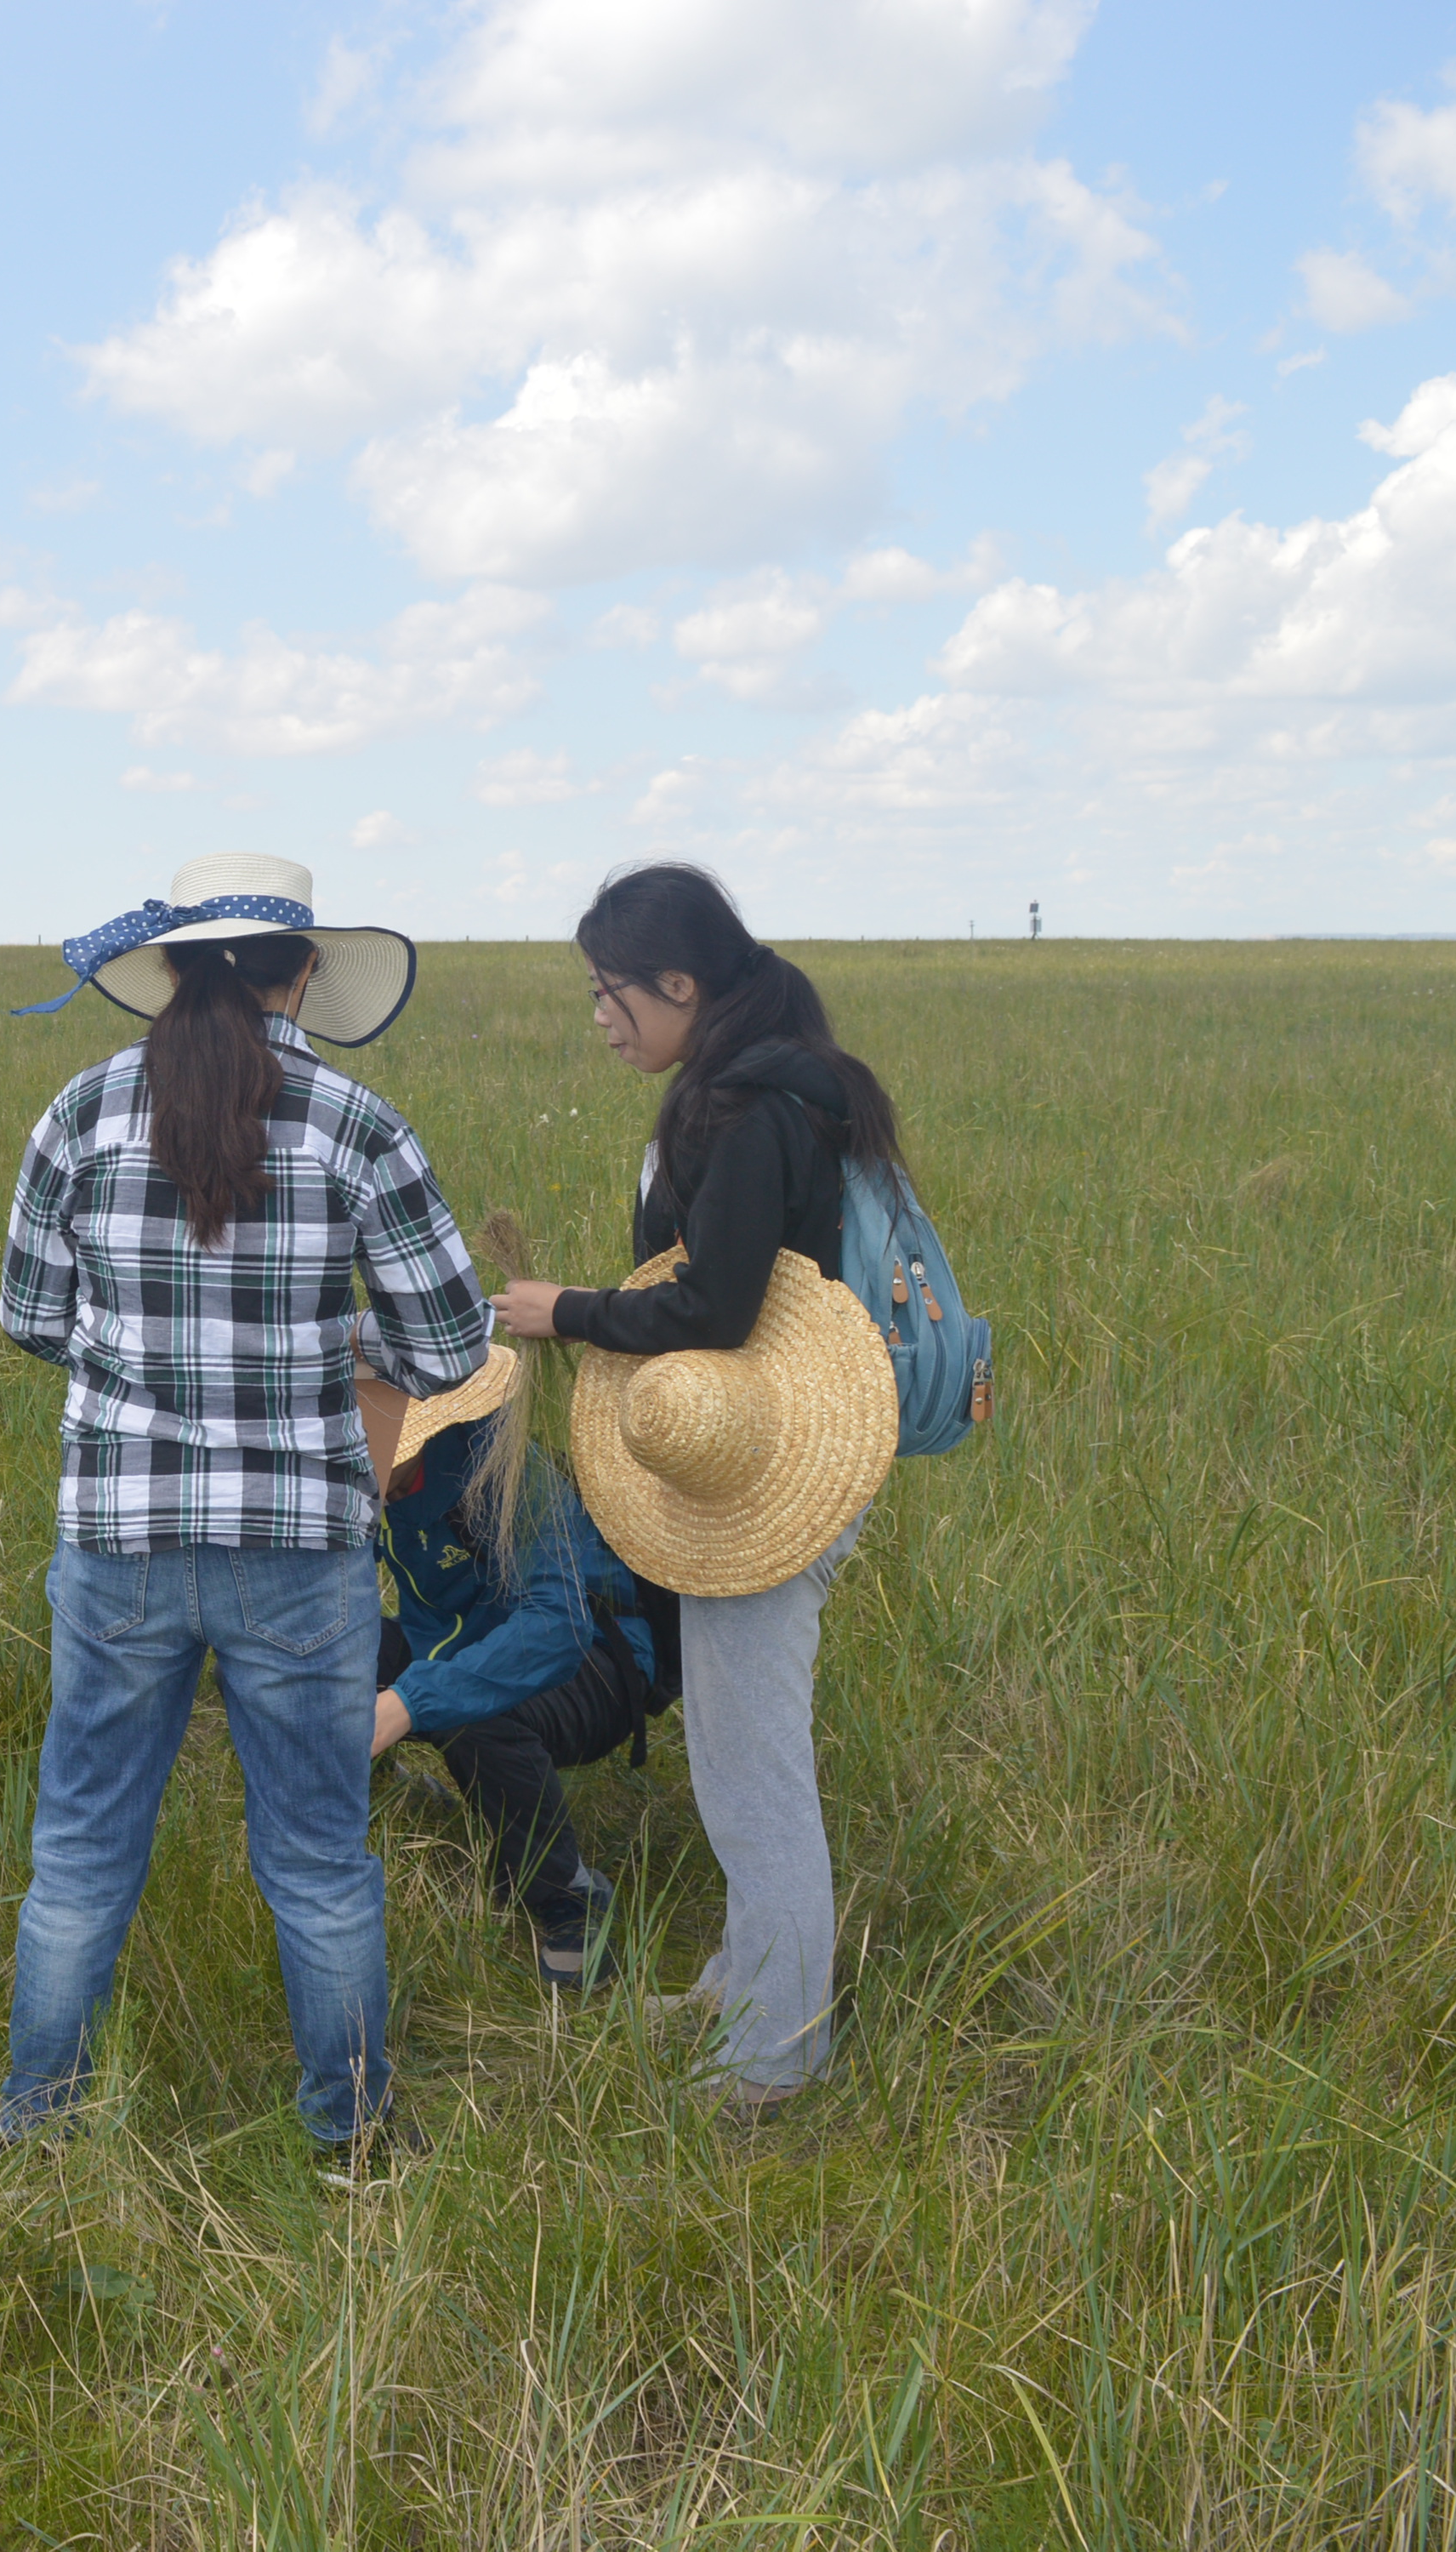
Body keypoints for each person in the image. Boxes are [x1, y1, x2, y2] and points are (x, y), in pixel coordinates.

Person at [0, 851, 486, 2165]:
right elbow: (452, 1349)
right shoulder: (358, 1122)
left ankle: (37, 2134)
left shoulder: (80, 1111)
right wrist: (337, 1346)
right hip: (302, 1547)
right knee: (320, 1864)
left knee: (81, 1854)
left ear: (171, 968)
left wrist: (142, 1358)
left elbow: (29, 1316)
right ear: (305, 971)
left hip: (120, 1539)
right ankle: (354, 2137)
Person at [486, 859, 906, 2118]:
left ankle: (775, 2062)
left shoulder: (749, 1108)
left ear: (679, 984)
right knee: (732, 1754)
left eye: (608, 991)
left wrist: (566, 1311)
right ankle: (743, 1987)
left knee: (756, 1771)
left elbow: (715, 1306)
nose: (599, 1017)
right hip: (759, 1451)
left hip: (766, 1467)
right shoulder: (772, 1082)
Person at [361, 1347, 666, 1991]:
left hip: (597, 1663)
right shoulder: (369, 1484)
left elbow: (558, 1627)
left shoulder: (504, 1471)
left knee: (476, 1717)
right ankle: (370, 1787)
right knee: (311, 1660)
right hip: (455, 1643)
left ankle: (568, 1897)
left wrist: (408, 1702)